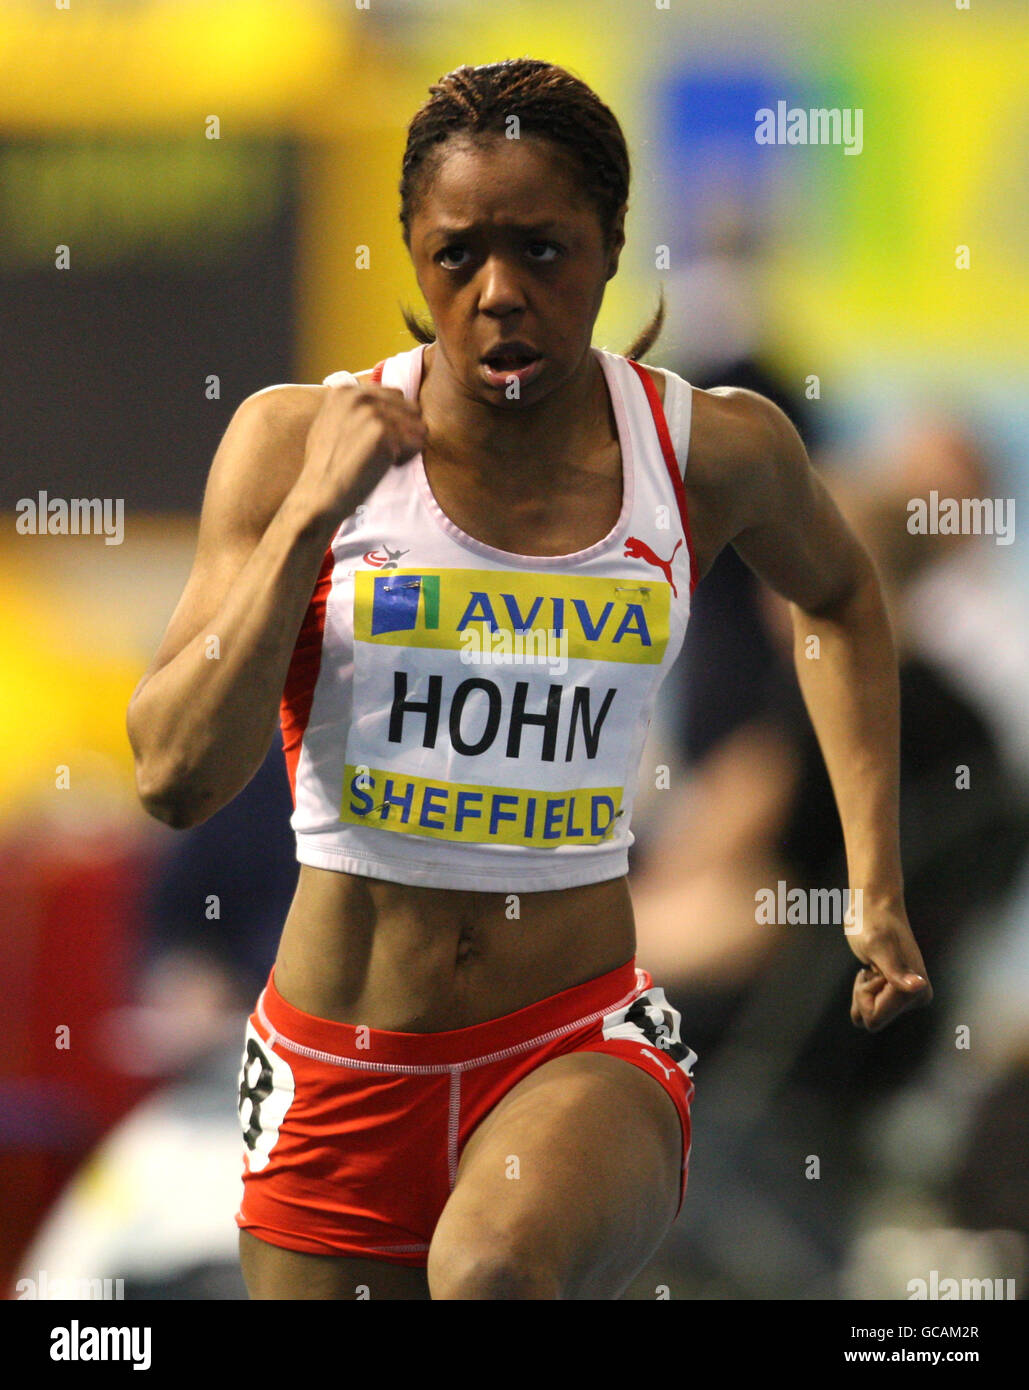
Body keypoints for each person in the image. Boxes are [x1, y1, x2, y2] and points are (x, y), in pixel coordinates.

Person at [126, 58, 932, 1301]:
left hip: (573, 1044)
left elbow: (838, 596)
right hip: (334, 1066)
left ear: (611, 246)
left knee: (493, 1269)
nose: (500, 293)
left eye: (544, 251)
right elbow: (173, 778)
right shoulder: (294, 443)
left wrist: (875, 876)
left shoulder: (709, 450)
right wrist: (303, 529)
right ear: (408, 249)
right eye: (458, 255)